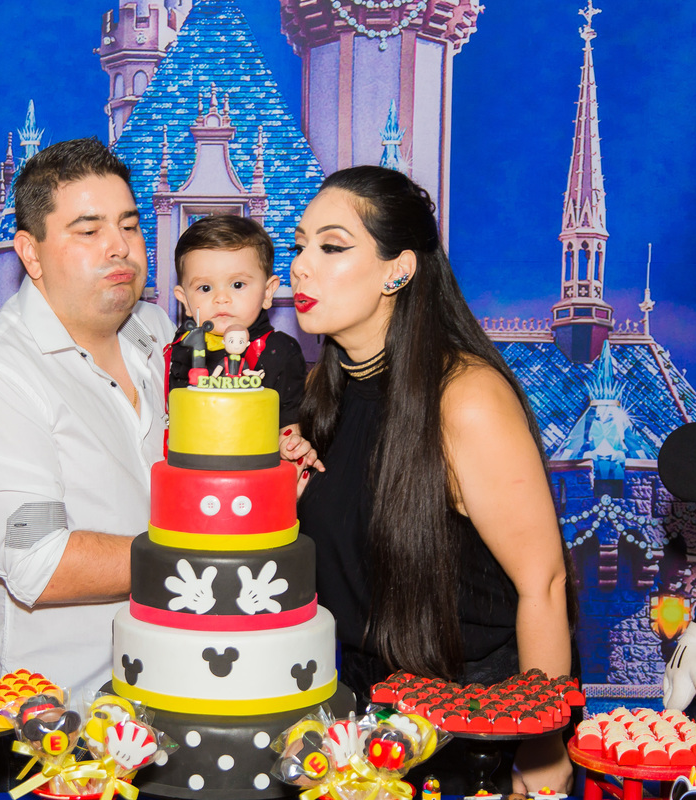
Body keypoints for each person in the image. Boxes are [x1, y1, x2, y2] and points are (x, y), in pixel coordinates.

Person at [289, 166, 577, 794]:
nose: (301, 266)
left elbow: (545, 582)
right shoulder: (320, 395)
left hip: (475, 729)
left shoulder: (466, 397)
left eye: (332, 247)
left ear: (398, 270)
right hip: (358, 722)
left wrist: (543, 746)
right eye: (300, 244)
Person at [0, 138, 174, 700]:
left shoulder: (156, 332)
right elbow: (40, 559)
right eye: (88, 231)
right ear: (30, 255)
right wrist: (203, 554)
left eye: (129, 225)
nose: (120, 247)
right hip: (52, 713)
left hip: (170, 683)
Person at [167, 214, 306, 433]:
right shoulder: (182, 345)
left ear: (267, 292)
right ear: (185, 300)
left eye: (238, 284)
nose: (221, 298)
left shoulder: (281, 351)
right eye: (205, 288)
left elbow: (291, 419)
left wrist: (291, 441)